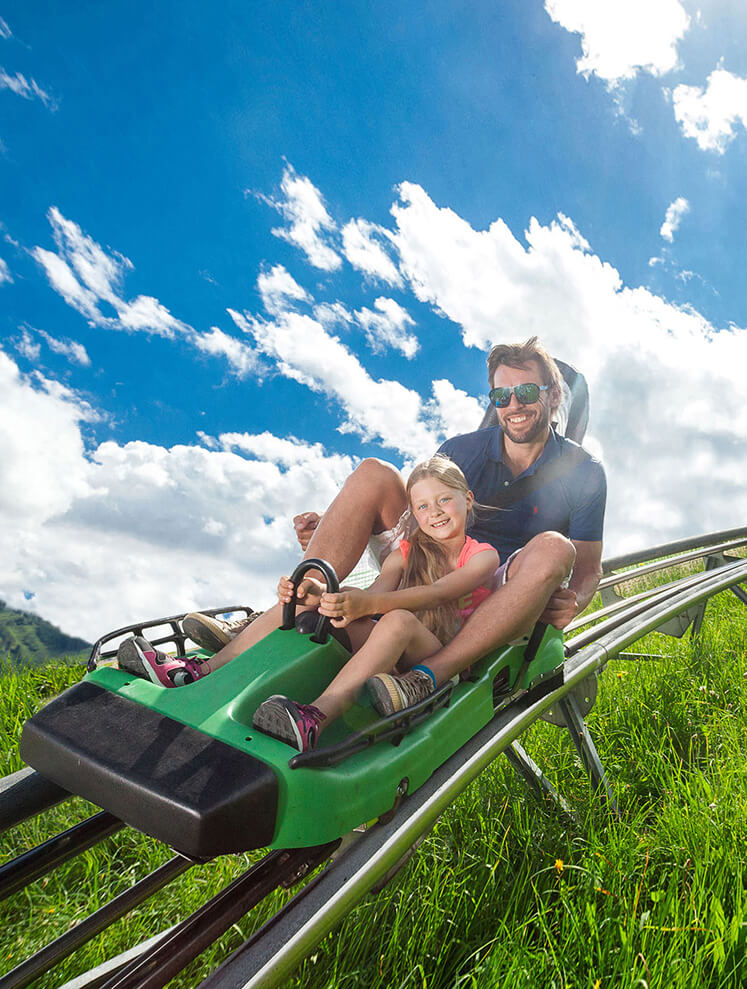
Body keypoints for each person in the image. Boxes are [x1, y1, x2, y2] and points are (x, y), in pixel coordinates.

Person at [117, 458, 499, 749]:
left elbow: (439, 593)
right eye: (423, 506)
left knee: (398, 620)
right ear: (413, 514)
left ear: (467, 500)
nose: (435, 512)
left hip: (433, 658)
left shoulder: (482, 556)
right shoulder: (405, 552)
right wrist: (321, 596)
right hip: (387, 643)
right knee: (311, 601)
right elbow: (377, 593)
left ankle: (315, 718)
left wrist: (368, 604)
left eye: (444, 500)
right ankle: (199, 670)